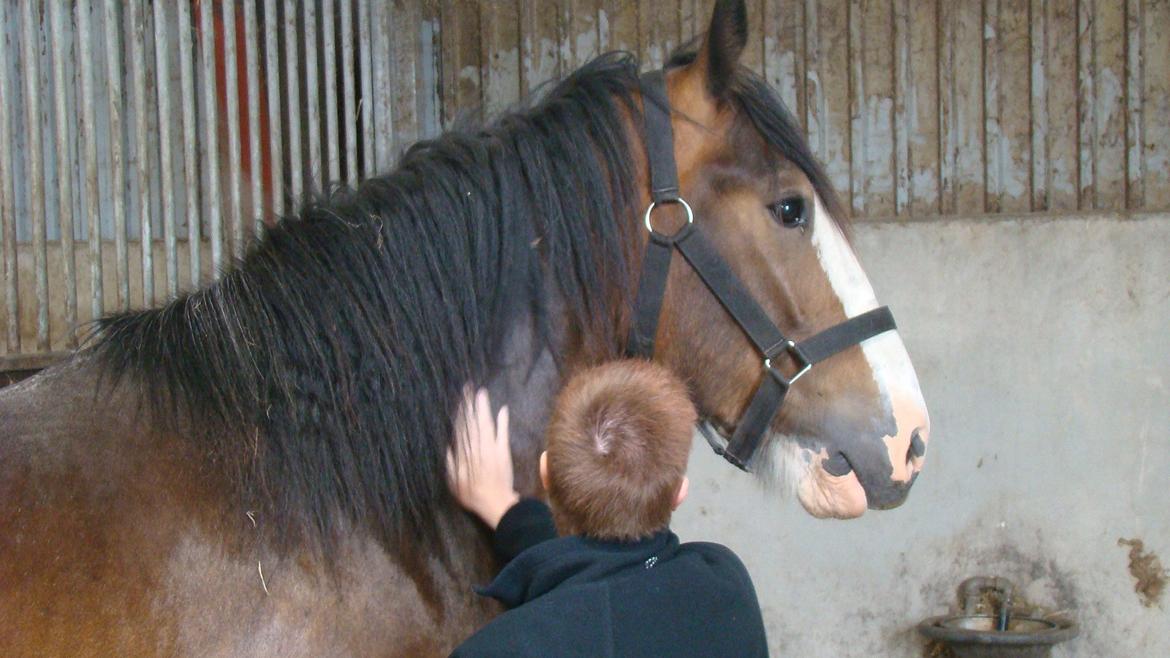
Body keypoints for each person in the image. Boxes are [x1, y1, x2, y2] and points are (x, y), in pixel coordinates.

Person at [446, 359, 769, 657]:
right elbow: (605, 586)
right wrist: (502, 508)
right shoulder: (724, 584)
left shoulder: (497, 650)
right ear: (679, 493)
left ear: (545, 472)